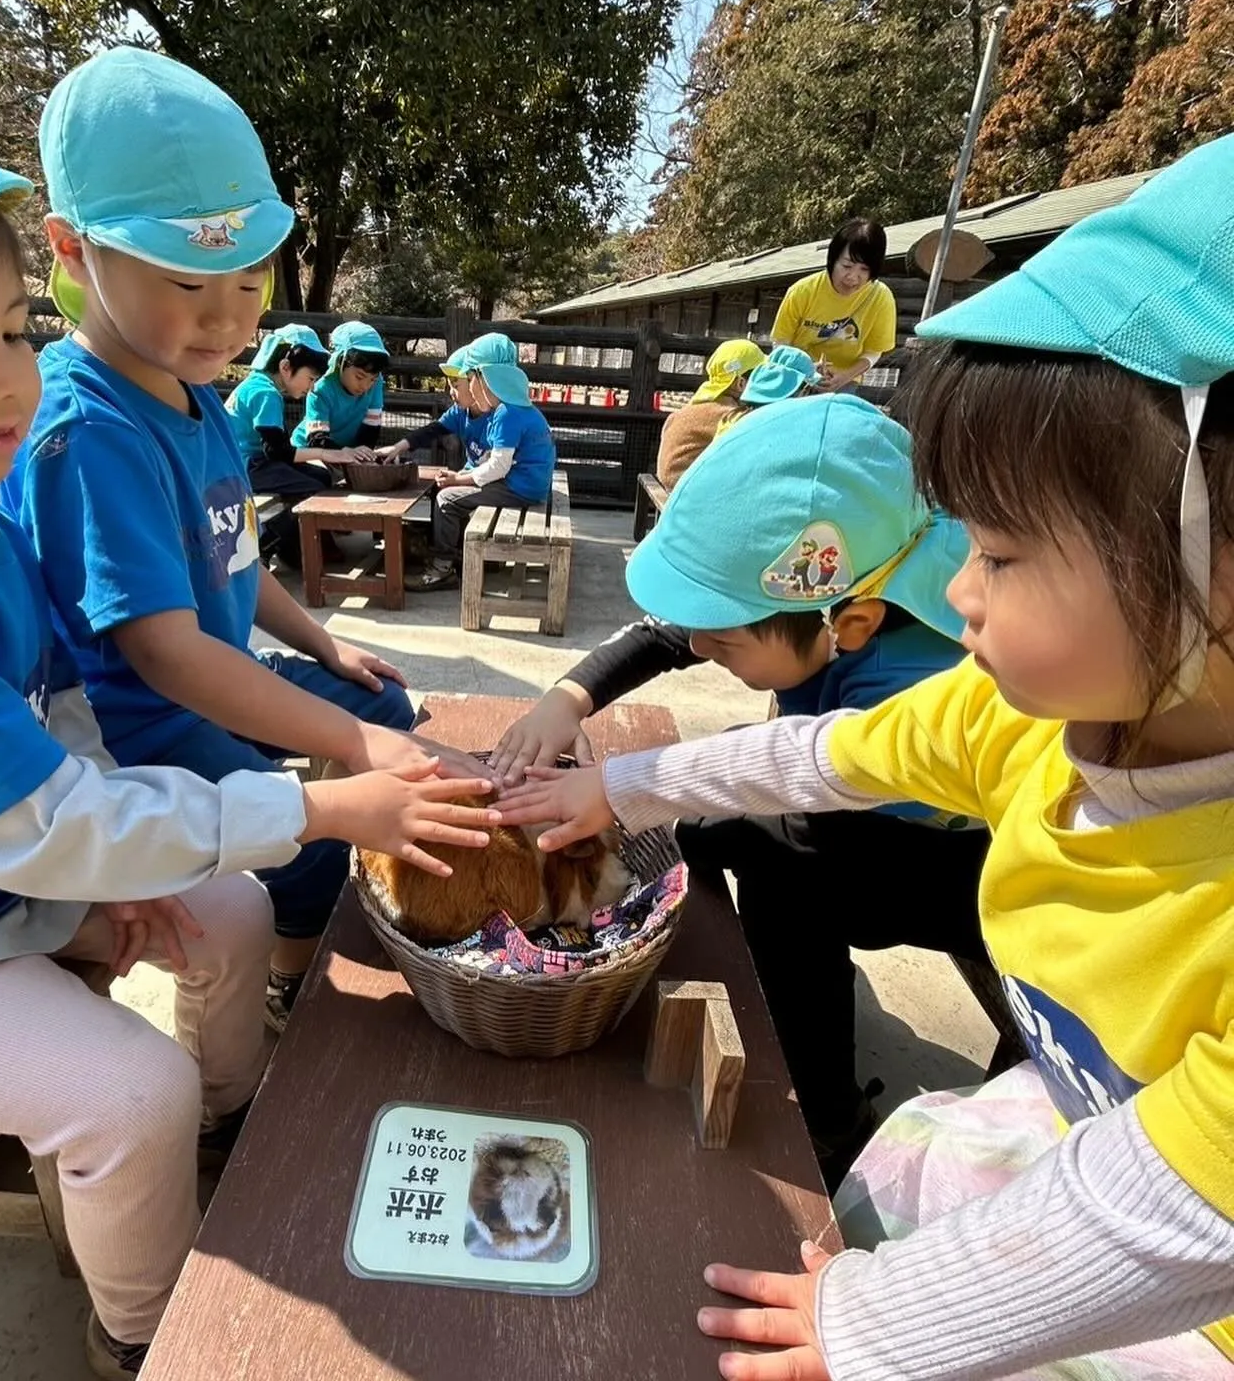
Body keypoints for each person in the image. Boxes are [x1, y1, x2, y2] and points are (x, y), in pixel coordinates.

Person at [0, 58, 500, 1381]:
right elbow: (60, 807)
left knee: (226, 912)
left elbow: (59, 725)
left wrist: (112, 875)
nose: (11, 375)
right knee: (130, 1093)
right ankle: (142, 1333)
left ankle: (229, 1128)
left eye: (10, 330)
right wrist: (319, 795)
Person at [498, 136, 1234, 1380]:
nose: (960, 587)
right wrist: (613, 783)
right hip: (1089, 1109)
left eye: (999, 554)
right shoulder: (1032, 717)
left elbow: (1177, 1211)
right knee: (891, 1166)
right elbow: (815, 757)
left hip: (1189, 1294)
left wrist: (876, 1325)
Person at [0, 49, 470, 1033]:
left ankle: (356, 863)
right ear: (75, 252)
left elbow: (234, 555)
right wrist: (348, 750)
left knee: (382, 695)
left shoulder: (194, 385)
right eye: (186, 281)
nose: (226, 318)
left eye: (247, 278)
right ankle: (292, 986)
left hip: (216, 663)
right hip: (132, 717)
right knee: (303, 848)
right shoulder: (91, 428)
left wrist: (328, 648)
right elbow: (163, 655)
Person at [490, 394, 984, 1182]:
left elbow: (812, 765)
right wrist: (568, 698)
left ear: (847, 625)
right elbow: (667, 633)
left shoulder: (926, 680)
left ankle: (827, 1117)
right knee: (719, 810)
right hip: (857, 798)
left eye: (724, 643)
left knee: (782, 864)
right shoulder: (833, 598)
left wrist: (621, 787)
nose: (702, 649)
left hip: (970, 870)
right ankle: (695, 941)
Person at [383, 335, 556, 592]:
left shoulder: (505, 413)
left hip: (518, 485)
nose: (453, 391)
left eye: (467, 380)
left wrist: (458, 479)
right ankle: (456, 553)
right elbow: (434, 431)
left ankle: (443, 567)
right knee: (447, 488)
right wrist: (400, 447)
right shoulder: (507, 409)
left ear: (484, 378)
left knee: (447, 499)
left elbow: (498, 467)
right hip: (521, 481)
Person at [226, 324, 374, 567]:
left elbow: (276, 449)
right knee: (313, 488)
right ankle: (265, 541)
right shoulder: (266, 394)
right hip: (244, 466)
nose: (312, 387)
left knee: (320, 478)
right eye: (311, 378)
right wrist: (330, 453)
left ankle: (292, 549)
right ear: (285, 367)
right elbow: (278, 451)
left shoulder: (257, 385)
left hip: (249, 462)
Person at [772, 217, 897, 394]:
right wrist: (804, 371)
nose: (853, 277)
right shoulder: (802, 291)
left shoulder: (881, 298)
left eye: (864, 270)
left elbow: (873, 351)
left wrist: (845, 376)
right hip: (796, 379)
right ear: (832, 259)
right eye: (847, 266)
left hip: (845, 382)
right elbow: (780, 343)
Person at [656, 337, 767, 487]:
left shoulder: (695, 408)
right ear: (741, 383)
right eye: (760, 377)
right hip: (692, 489)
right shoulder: (729, 415)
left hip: (674, 485)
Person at [290, 320, 390, 450]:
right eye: (359, 377)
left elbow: (371, 426)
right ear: (340, 361)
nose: (365, 386)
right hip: (308, 450)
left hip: (347, 452)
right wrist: (345, 453)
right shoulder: (321, 390)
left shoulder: (376, 383)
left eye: (372, 379)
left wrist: (362, 452)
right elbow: (317, 439)